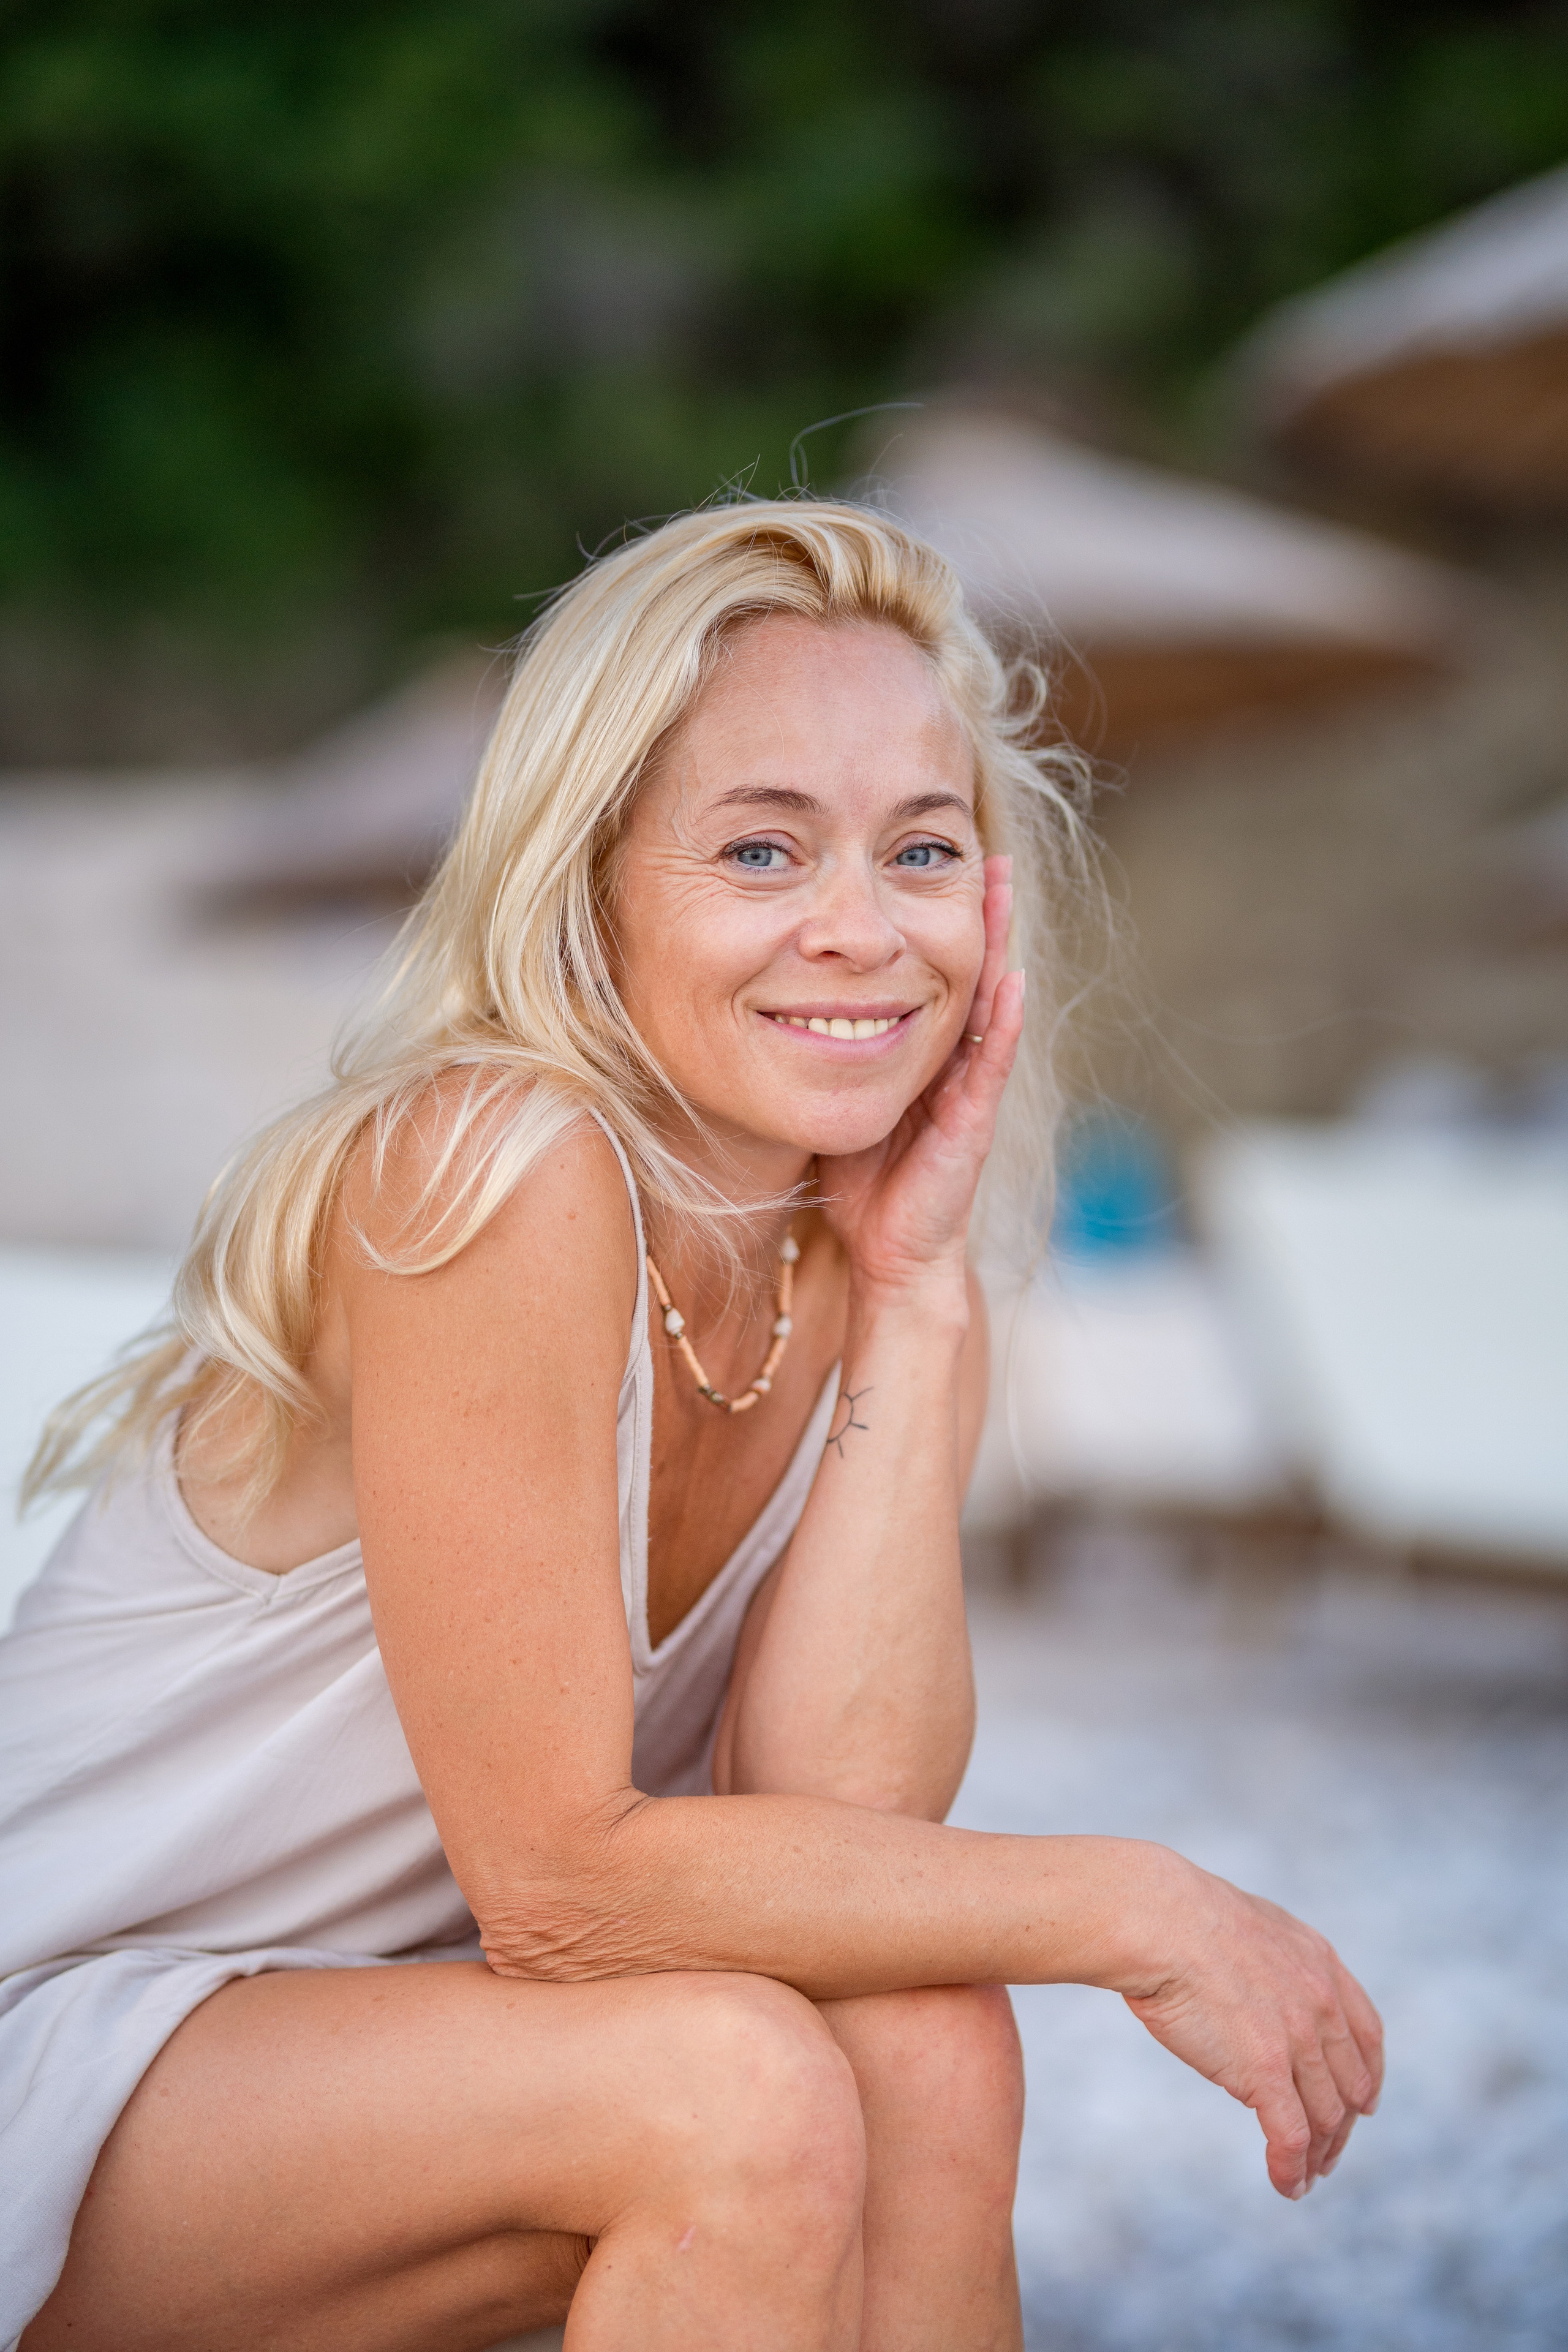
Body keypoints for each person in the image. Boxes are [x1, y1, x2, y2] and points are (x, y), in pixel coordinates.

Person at [0, 501, 1381, 2352]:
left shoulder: (859, 1251)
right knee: (728, 2088)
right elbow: (569, 1887)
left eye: (922, 849)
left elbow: (844, 1824)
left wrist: (912, 1297)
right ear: (589, 883)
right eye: (759, 848)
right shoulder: (488, 1166)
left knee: (929, 2039)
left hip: (400, 2023)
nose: (860, 929)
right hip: (81, 2038)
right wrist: (1142, 1905)